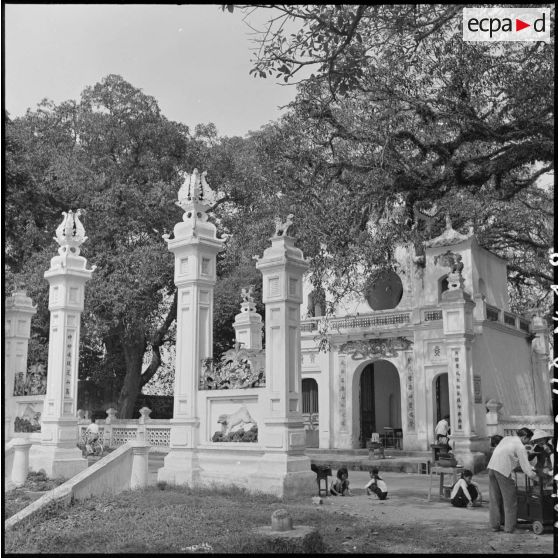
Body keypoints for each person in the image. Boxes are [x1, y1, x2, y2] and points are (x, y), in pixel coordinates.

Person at [486, 427, 537, 533]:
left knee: (495, 499)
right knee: (510, 500)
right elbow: (526, 467)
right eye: (528, 439)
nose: (528, 442)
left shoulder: (507, 438)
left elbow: (507, 454)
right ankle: (510, 528)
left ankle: (494, 526)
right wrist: (534, 476)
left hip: (491, 467)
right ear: (524, 437)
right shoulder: (520, 446)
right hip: (502, 470)